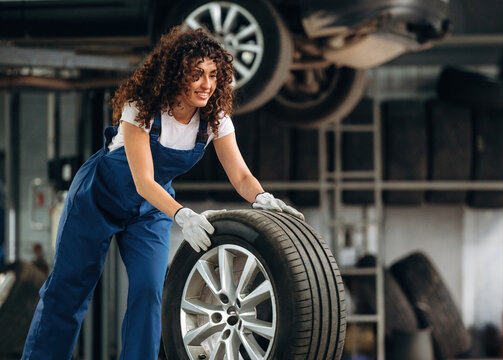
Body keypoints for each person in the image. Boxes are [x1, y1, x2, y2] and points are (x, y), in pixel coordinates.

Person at [21, 27, 303, 360]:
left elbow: (240, 175)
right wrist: (183, 215)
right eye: (196, 74)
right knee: (69, 290)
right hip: (97, 199)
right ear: (175, 75)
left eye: (213, 75)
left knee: (149, 291)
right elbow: (143, 180)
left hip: (151, 211)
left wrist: (261, 197)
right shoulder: (140, 107)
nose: (206, 84)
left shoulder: (215, 118)